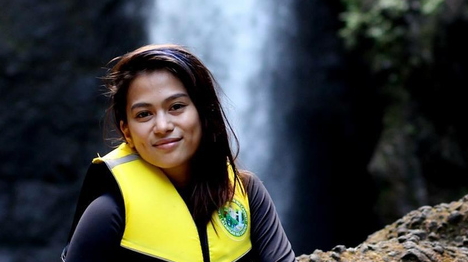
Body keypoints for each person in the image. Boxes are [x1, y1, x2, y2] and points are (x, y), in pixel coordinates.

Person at [62, 44, 295, 262]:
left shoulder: (247, 192)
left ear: (204, 113)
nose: (162, 126)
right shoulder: (109, 213)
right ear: (127, 132)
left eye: (176, 107)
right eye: (144, 114)